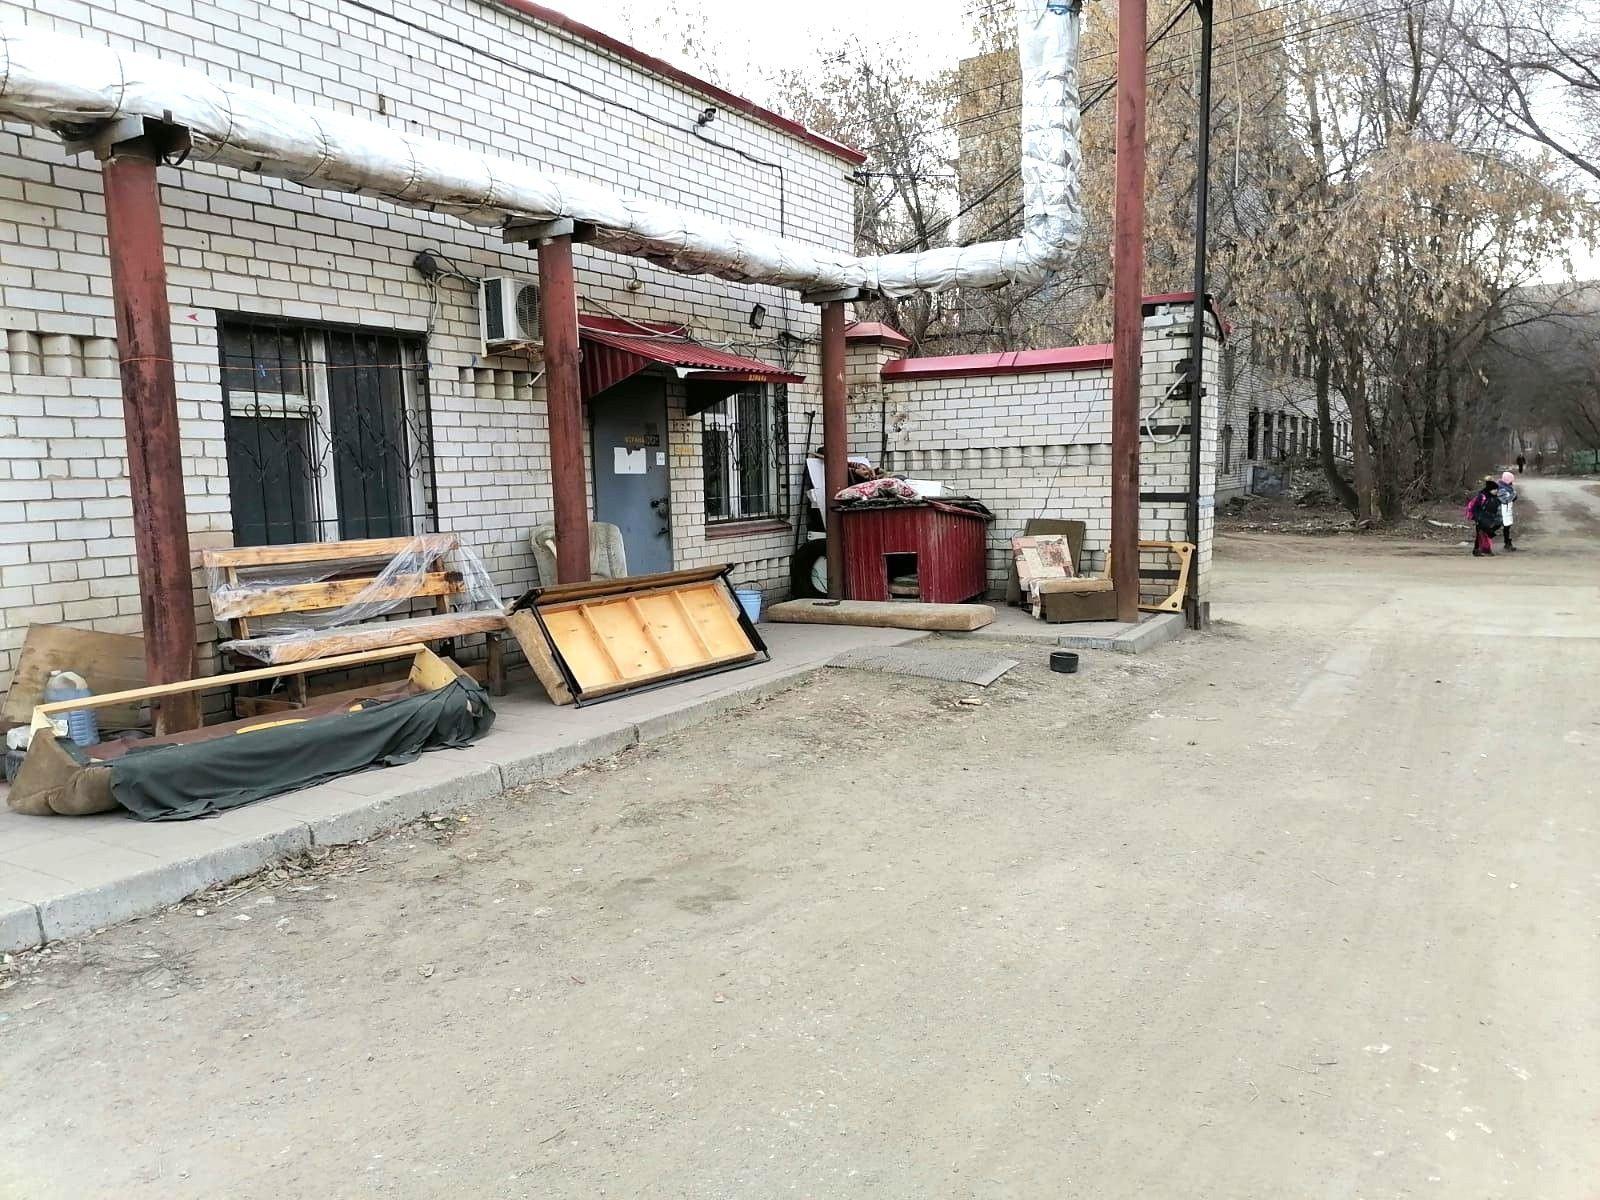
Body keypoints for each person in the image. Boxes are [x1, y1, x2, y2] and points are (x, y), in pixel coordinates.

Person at [1466, 476, 1502, 557]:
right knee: (1480, 534)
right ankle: (1477, 550)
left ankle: (1486, 549)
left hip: (1488, 518)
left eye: (1497, 489)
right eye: (1494, 489)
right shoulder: (1482, 497)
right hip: (1480, 518)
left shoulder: (1494, 497)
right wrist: (1477, 518)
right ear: (1490, 489)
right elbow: (1475, 508)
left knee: (1486, 534)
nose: (1496, 491)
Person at [1498, 470, 1518, 551]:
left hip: (1507, 511)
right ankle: (1507, 543)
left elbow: (1511, 499)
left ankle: (1507, 543)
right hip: (1501, 511)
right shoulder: (1501, 489)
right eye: (1511, 481)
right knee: (1503, 527)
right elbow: (1505, 500)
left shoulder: (1508, 488)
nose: (1512, 483)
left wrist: (1514, 496)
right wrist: (1513, 495)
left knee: (1507, 527)